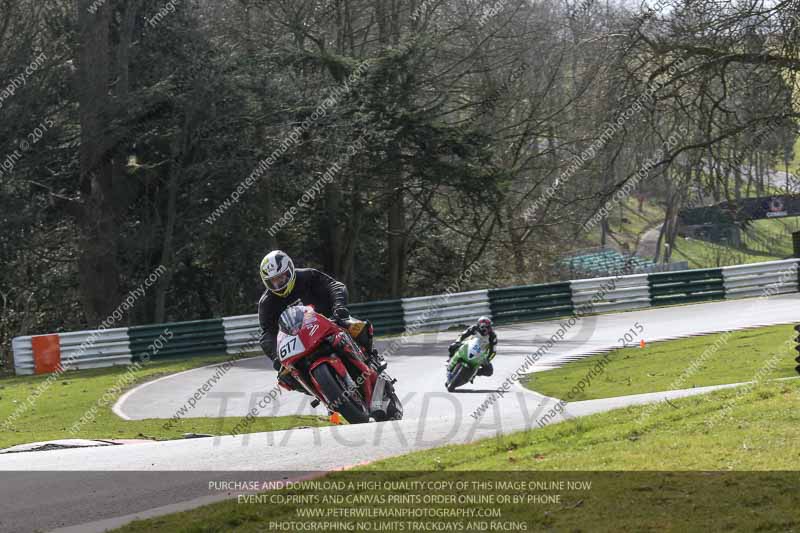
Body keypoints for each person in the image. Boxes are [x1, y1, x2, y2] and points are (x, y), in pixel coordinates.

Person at [258, 250, 382, 390]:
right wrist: (276, 356)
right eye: (272, 281)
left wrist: (339, 307)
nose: (278, 283)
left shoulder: (307, 276)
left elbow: (334, 286)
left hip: (329, 321)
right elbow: (267, 333)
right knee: (285, 377)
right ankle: (324, 395)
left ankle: (372, 358)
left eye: (281, 277)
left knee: (356, 326)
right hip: (300, 340)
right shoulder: (267, 303)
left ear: (290, 270)